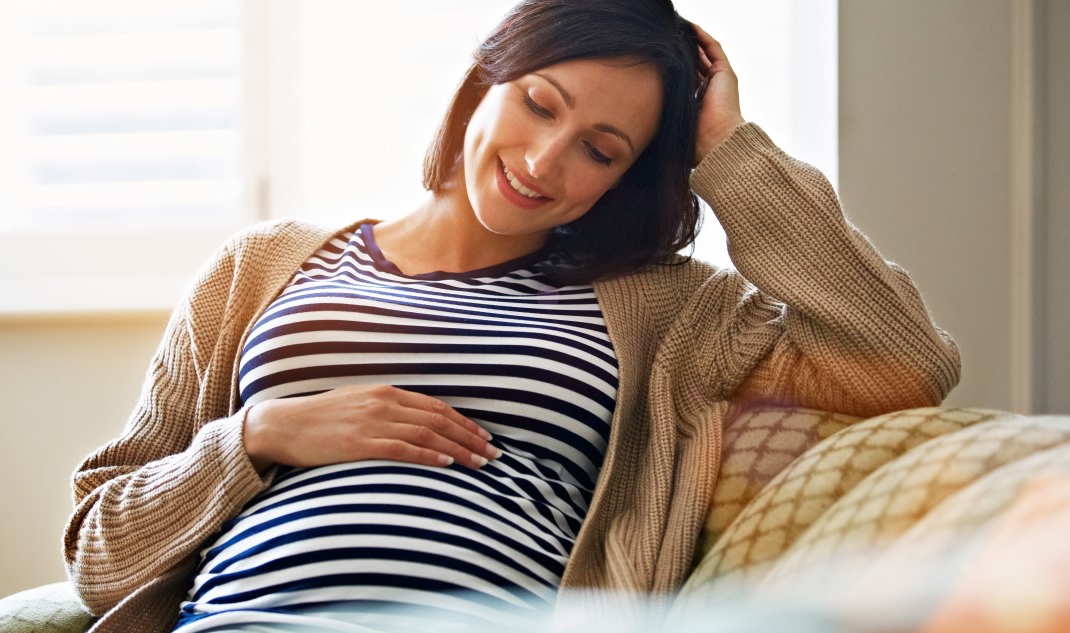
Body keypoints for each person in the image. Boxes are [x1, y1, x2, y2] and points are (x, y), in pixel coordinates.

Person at [63, 1, 961, 632]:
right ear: (486, 77)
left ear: (628, 176)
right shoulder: (262, 265)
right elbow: (99, 551)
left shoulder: (668, 306)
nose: (542, 159)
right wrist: (260, 433)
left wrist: (729, 151)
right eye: (539, 103)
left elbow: (903, 360)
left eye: (600, 150)